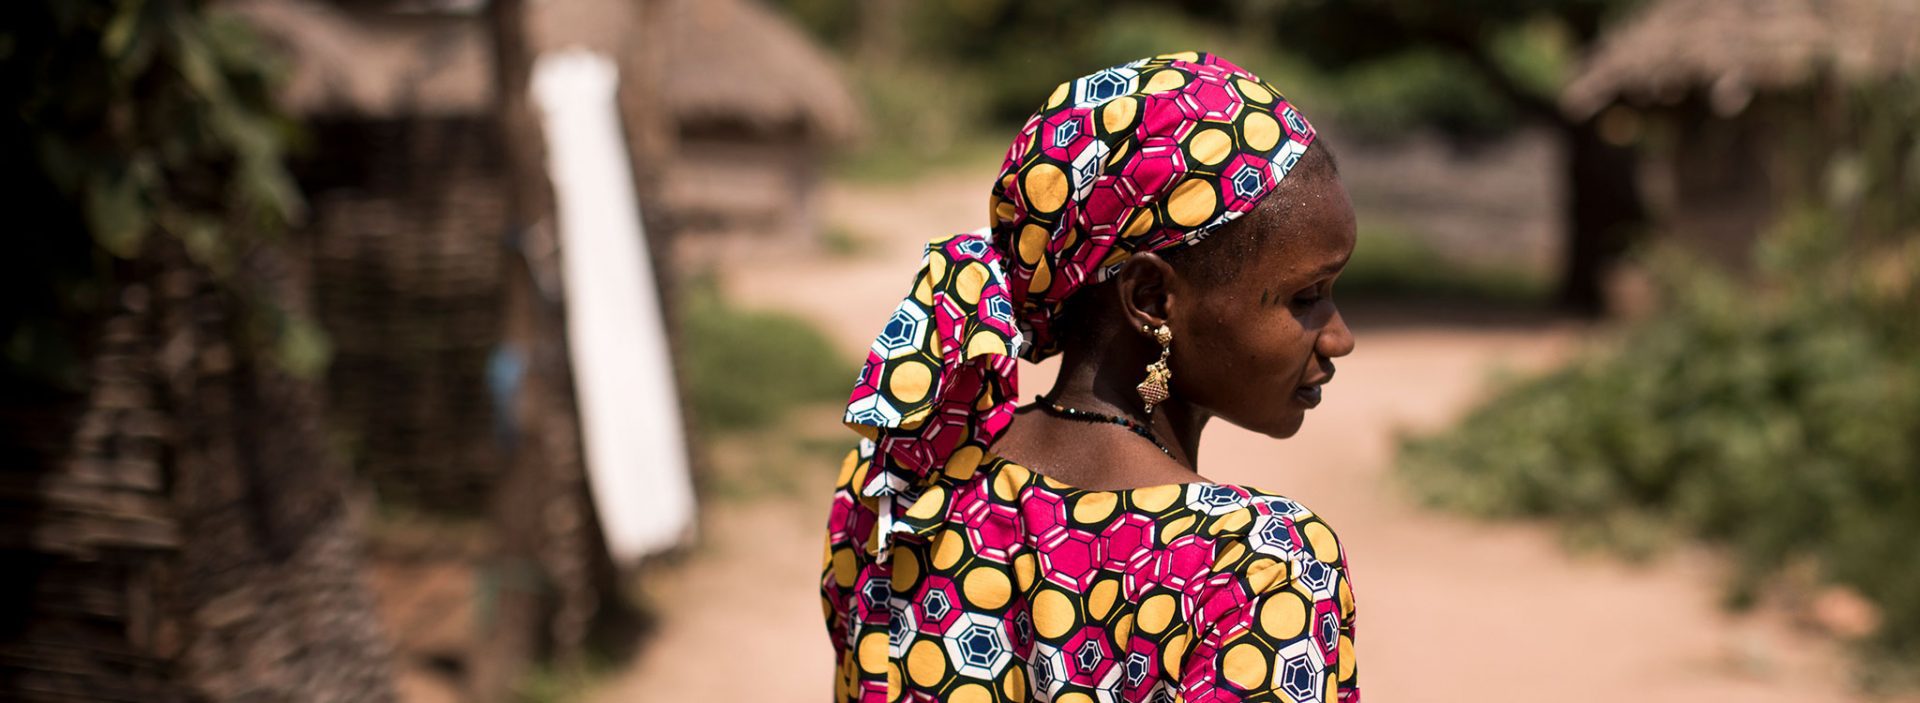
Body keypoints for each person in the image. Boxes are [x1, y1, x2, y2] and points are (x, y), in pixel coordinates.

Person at [822, 51, 1360, 703]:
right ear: (1152, 299)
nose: (1339, 337)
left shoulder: (906, 482)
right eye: (1307, 296)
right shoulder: (1255, 568)